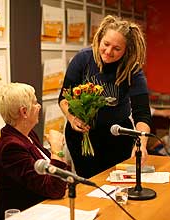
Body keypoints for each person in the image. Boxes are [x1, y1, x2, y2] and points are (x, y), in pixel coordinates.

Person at [58, 15, 151, 178]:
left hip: (117, 137)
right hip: (82, 137)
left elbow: (142, 114)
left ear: (126, 50)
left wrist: (140, 145)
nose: (108, 52)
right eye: (106, 44)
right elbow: (64, 99)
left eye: (117, 49)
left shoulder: (132, 69)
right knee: (89, 185)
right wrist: (72, 119)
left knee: (115, 184)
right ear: (99, 39)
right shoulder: (83, 59)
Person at [0, 83, 69, 220]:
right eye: (35, 103)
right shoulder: (11, 148)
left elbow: (59, 178)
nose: (39, 106)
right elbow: (54, 189)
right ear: (24, 112)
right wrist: (57, 149)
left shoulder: (28, 135)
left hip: (46, 208)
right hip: (27, 214)